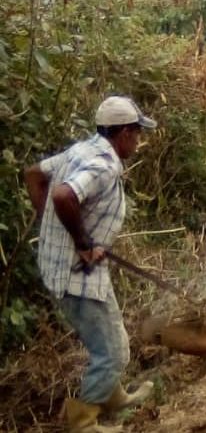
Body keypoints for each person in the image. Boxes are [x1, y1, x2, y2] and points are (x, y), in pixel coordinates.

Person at [24, 96, 157, 433]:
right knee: (111, 353)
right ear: (124, 132)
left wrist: (51, 225)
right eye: (137, 134)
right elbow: (63, 195)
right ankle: (83, 423)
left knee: (116, 340)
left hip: (78, 268)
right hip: (75, 273)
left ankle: (111, 396)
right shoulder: (104, 164)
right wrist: (81, 242)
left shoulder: (83, 149)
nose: (139, 142)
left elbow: (35, 174)